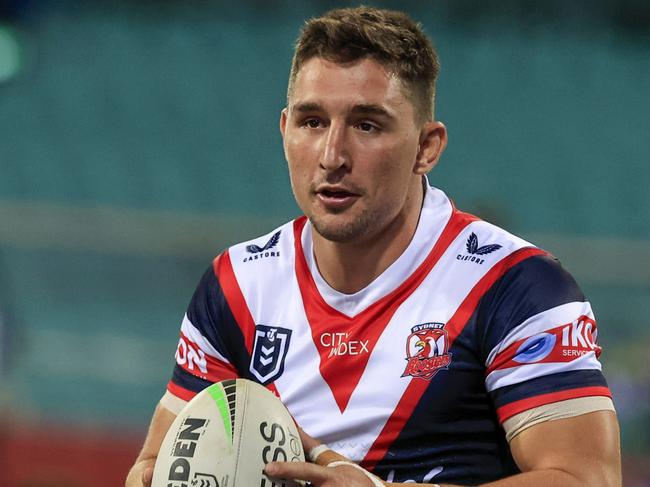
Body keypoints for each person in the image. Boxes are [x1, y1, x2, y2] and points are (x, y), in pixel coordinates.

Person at [126, 6, 621, 487]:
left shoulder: (516, 287)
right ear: (284, 131)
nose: (332, 156)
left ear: (427, 147)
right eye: (312, 122)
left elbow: (588, 479)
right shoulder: (235, 285)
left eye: (367, 125)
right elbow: (153, 463)